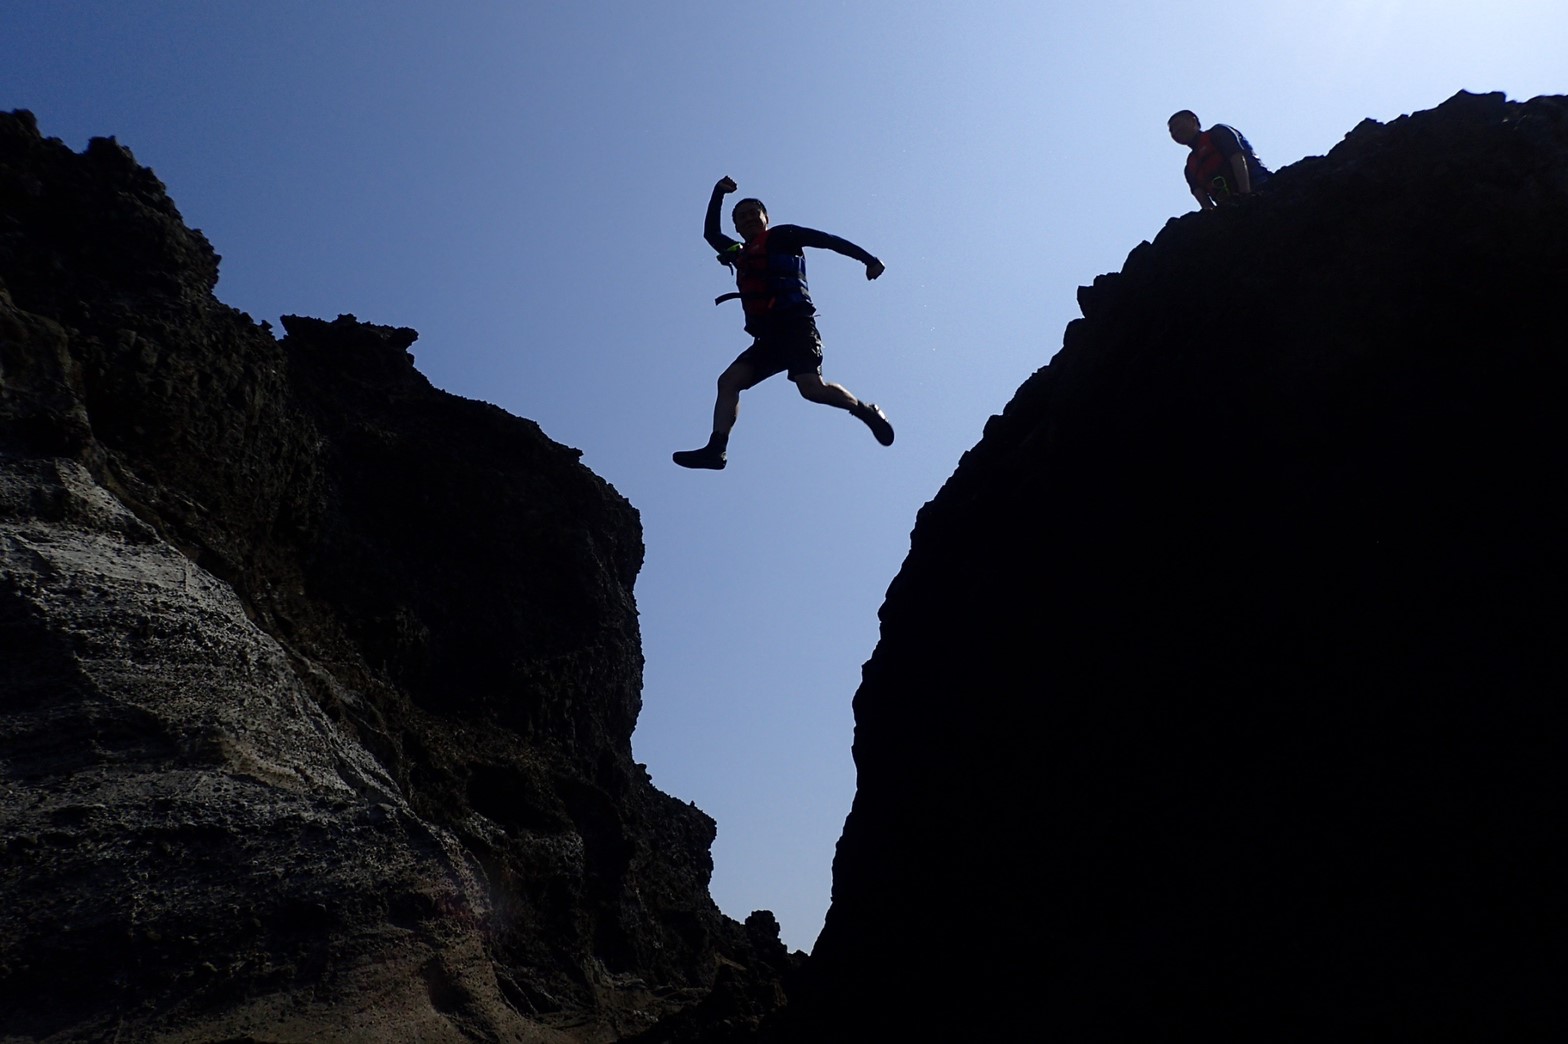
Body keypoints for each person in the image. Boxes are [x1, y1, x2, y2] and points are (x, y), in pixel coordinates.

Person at [673, 176, 892, 470]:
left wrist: (869, 259)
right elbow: (711, 233)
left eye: (754, 213)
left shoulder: (783, 236)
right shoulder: (739, 253)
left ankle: (865, 412)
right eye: (742, 217)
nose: (749, 218)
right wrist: (717, 193)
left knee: (811, 389)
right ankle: (716, 449)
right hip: (768, 338)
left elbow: (828, 241)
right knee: (728, 382)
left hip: (796, 324)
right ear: (736, 227)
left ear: (766, 218)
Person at [1168, 110, 1271, 210]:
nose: (1175, 131)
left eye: (1177, 124)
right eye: (1171, 130)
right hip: (1230, 209)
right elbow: (1202, 197)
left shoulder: (1218, 133)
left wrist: (1245, 194)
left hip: (1260, 186)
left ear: (1193, 121)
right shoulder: (1190, 167)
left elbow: (1237, 158)